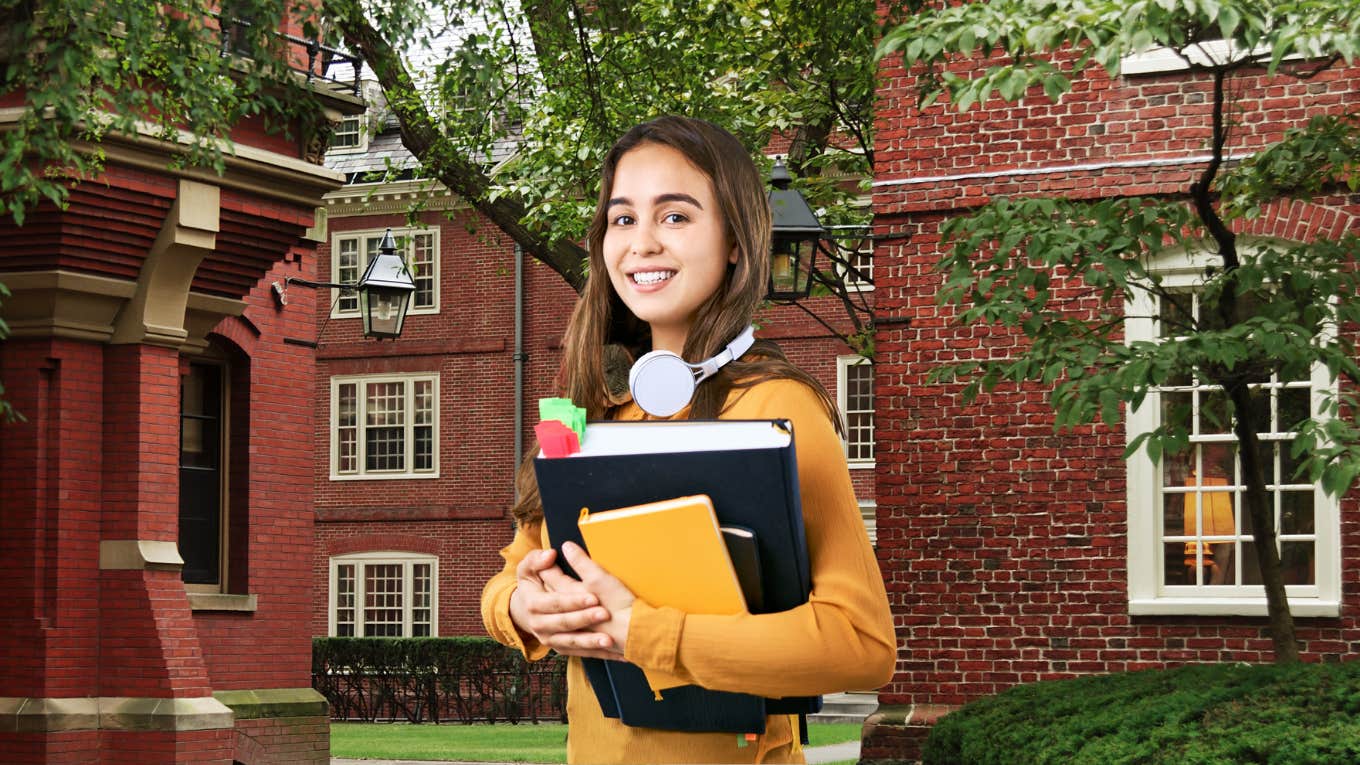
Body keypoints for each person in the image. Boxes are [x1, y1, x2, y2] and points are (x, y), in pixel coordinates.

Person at [481, 115, 896, 764]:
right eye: (622, 219)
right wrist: (522, 606)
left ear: (736, 240)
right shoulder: (580, 417)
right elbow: (507, 576)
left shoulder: (777, 406)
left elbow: (861, 644)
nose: (641, 242)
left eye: (674, 216)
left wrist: (643, 631)